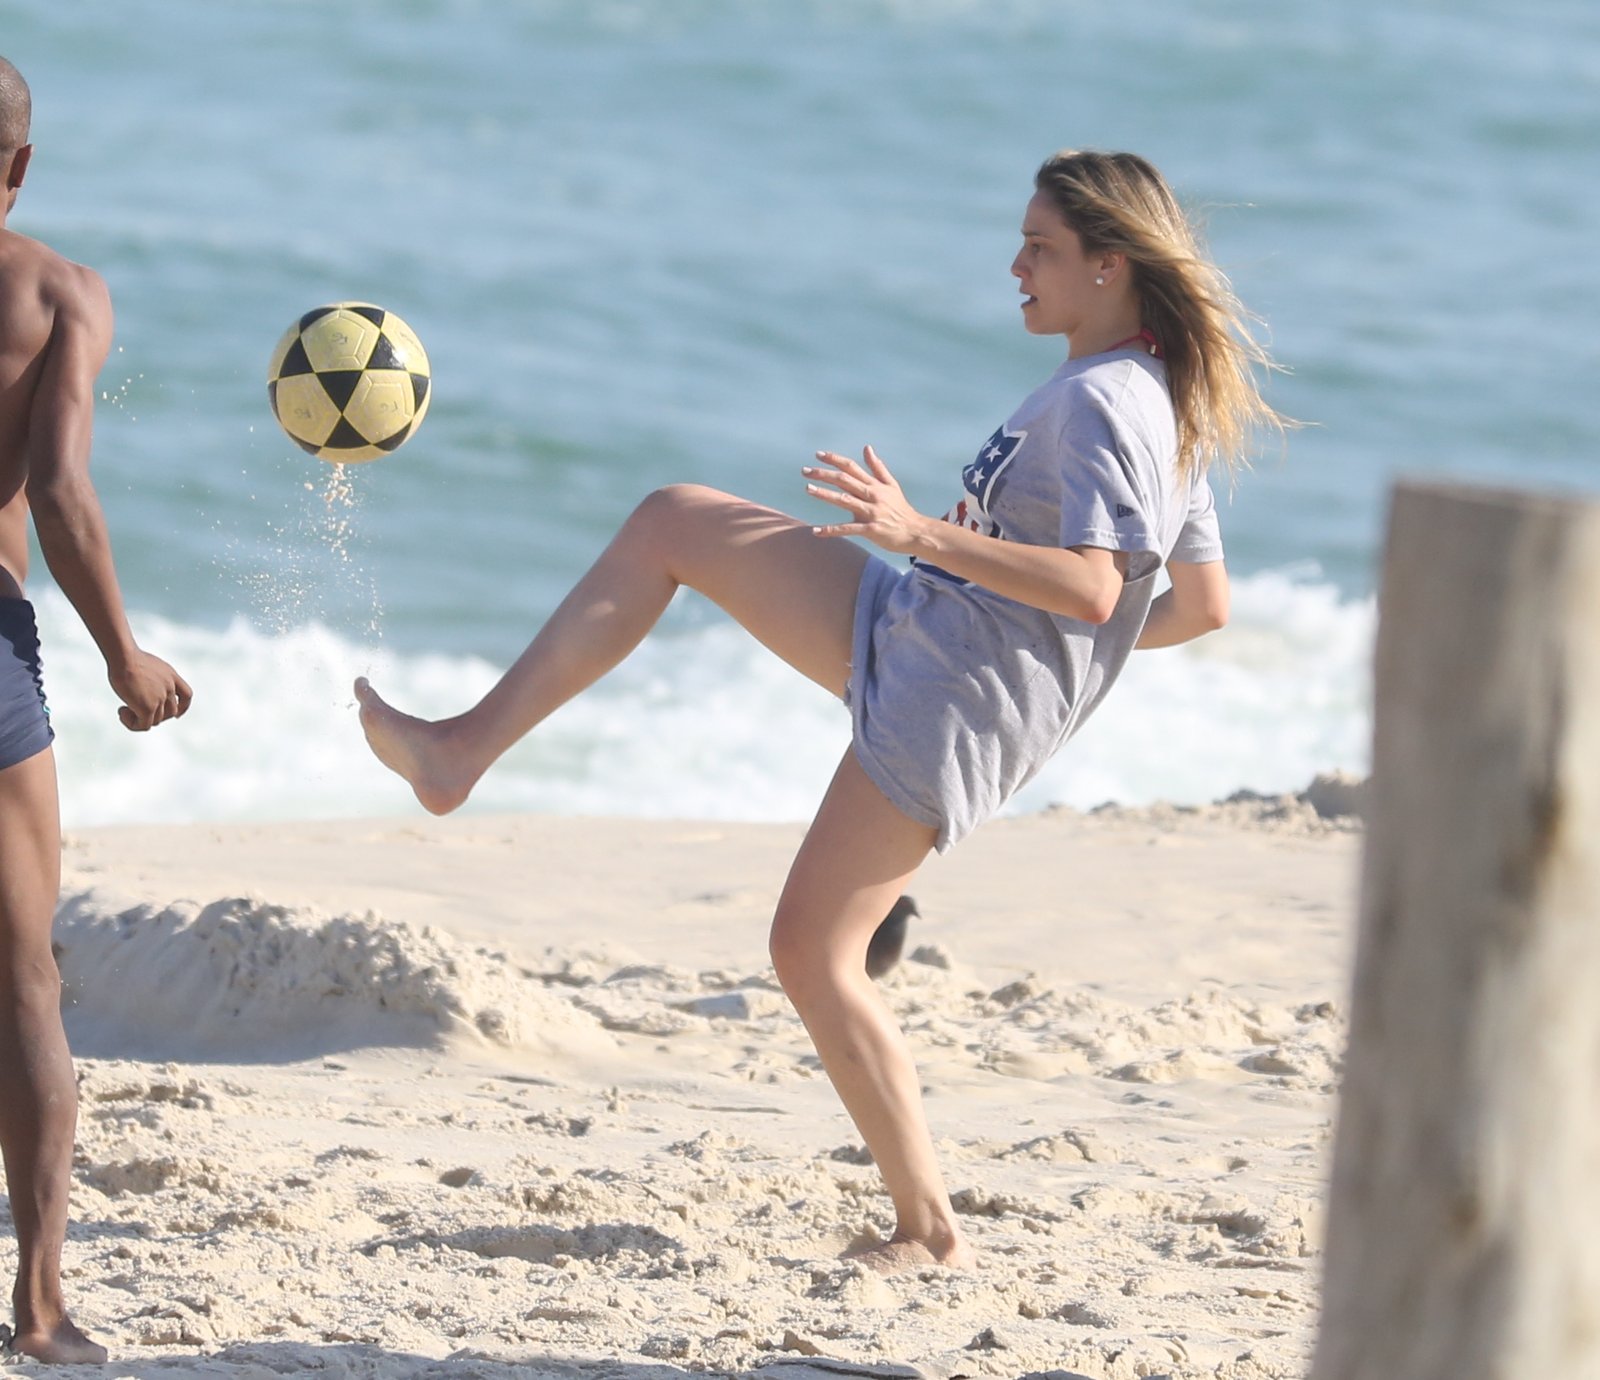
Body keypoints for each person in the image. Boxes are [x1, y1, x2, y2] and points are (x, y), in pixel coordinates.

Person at [354, 149, 1284, 1272]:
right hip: (930, 633)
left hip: (949, 690)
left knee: (809, 952)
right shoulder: (1155, 396)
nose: (1015, 264)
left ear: (1108, 264)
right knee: (675, 521)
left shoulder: (1105, 405)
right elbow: (1196, 605)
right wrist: (1023, 637)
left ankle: (926, 1228)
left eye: (1039, 247)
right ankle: (457, 752)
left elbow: (1096, 589)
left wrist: (935, 555)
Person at [0, 55, 192, 1362]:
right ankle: (41, 1306)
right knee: (20, 980)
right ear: (18, 165)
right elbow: (60, 489)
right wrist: (125, 654)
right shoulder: (59, 291)